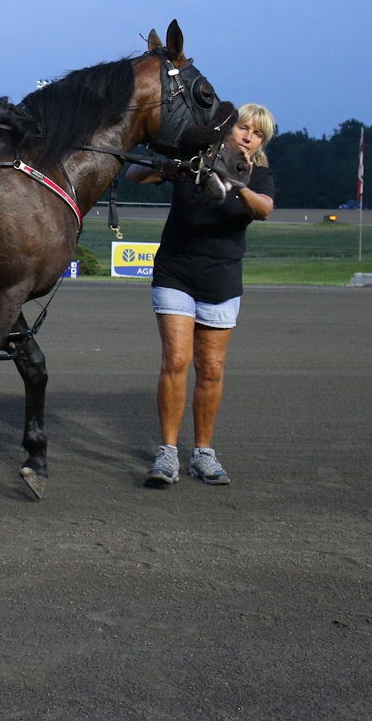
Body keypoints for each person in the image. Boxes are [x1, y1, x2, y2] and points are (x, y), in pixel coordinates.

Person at [128, 102, 277, 488]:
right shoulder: (194, 160)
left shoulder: (258, 174)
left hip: (221, 279)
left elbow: (264, 211)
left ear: (262, 141)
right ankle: (167, 453)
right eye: (244, 127)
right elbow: (134, 174)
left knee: (210, 368)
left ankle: (204, 454)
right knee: (176, 359)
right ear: (229, 128)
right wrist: (172, 164)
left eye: (257, 133)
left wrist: (237, 182)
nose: (248, 136)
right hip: (176, 272)